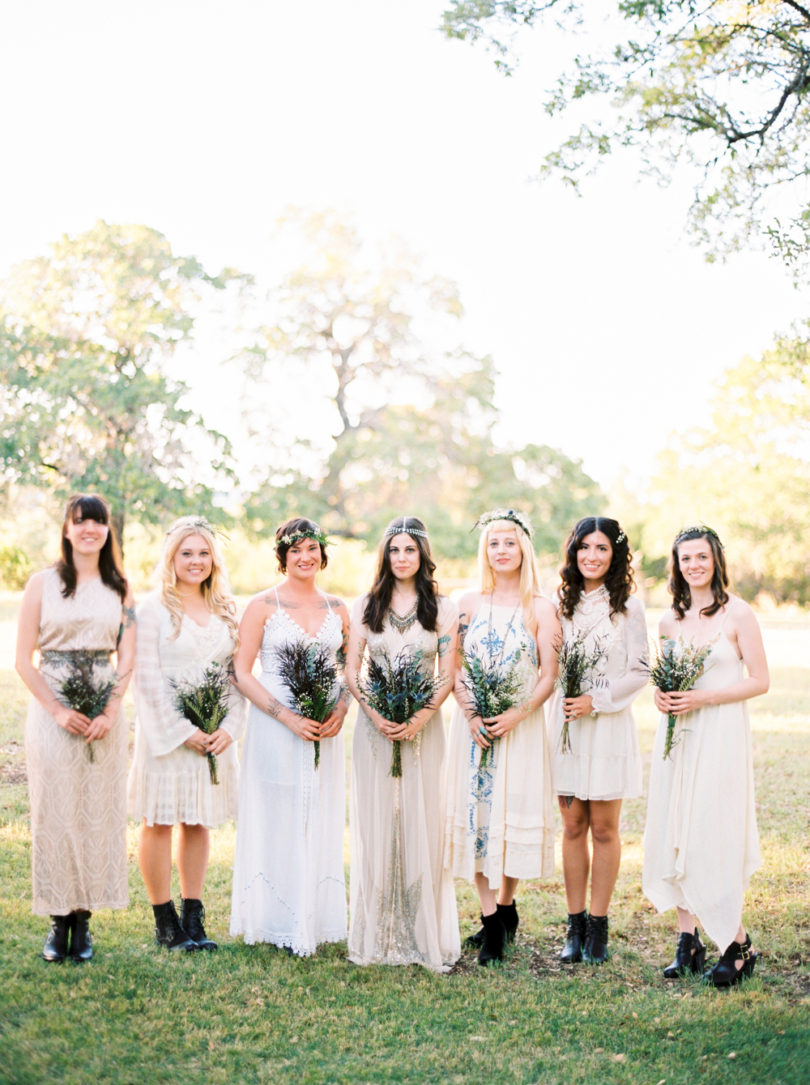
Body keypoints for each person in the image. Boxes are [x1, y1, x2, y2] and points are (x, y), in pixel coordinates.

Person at [642, 525, 768, 986]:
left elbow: (760, 680)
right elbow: (671, 677)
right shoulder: (669, 620)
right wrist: (663, 696)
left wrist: (704, 700)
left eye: (701, 557)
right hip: (678, 736)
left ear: (715, 560)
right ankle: (687, 941)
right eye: (685, 558)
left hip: (720, 734)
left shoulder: (739, 614)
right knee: (676, 827)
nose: (693, 565)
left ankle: (738, 944)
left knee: (710, 831)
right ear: (675, 565)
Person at [15, 494, 136, 962]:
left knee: (97, 811)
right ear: (66, 529)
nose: (90, 530)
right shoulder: (41, 584)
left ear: (108, 531)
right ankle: (57, 919)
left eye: (98, 522)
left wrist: (109, 709)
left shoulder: (120, 587)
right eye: (81, 522)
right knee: (55, 811)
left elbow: (127, 654)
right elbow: (24, 660)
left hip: (105, 710)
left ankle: (83, 920)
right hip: (54, 709)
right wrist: (58, 711)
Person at [230, 517, 350, 955]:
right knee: (277, 812)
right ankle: (275, 916)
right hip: (274, 724)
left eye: (312, 548)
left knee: (316, 811)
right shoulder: (262, 605)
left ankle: (313, 916)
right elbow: (242, 673)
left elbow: (349, 671)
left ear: (322, 553)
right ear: (283, 557)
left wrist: (340, 709)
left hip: (324, 729)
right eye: (296, 550)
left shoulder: (338, 608)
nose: (305, 557)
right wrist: (286, 716)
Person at [345, 516, 460, 971]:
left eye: (410, 550)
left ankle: (421, 932)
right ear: (385, 555)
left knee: (421, 824)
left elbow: (448, 674)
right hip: (373, 731)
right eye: (394, 550)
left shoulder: (443, 608)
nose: (402, 558)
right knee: (377, 824)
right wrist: (375, 714)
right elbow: (352, 671)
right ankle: (377, 933)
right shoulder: (365, 606)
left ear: (422, 555)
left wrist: (418, 719)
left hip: (424, 731)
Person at [444, 509, 559, 966]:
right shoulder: (466, 603)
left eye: (509, 542)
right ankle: (491, 921)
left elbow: (548, 675)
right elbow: (453, 668)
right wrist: (472, 713)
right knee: (478, 819)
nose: (501, 551)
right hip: (473, 730)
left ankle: (507, 905)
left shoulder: (542, 607)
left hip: (520, 728)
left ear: (524, 548)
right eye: (494, 543)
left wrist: (516, 714)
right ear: (485, 551)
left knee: (511, 817)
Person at [129, 516, 244, 952]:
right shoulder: (152, 609)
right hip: (167, 734)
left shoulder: (228, 609)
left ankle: (194, 917)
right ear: (171, 558)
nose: (196, 562)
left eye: (203, 553)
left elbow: (236, 675)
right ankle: (165, 922)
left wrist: (228, 728)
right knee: (158, 820)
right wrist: (183, 732)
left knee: (198, 820)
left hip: (213, 736)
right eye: (186, 553)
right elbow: (147, 677)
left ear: (214, 559)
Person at [548, 516, 647, 964]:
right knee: (572, 826)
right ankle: (574, 925)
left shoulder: (629, 606)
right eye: (584, 547)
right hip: (566, 727)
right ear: (573, 552)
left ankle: (599, 928)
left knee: (605, 829)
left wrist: (597, 700)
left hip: (607, 724)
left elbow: (641, 670)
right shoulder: (558, 603)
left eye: (601, 548)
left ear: (615, 554)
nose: (591, 555)